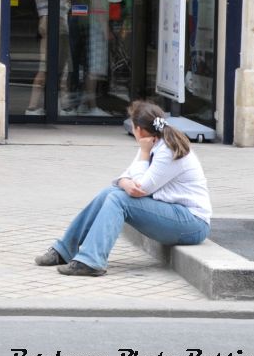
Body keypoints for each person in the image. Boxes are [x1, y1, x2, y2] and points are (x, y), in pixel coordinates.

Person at [34, 100, 211, 276]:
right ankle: (64, 250)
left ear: (138, 130)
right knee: (109, 193)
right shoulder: (152, 143)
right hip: (174, 214)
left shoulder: (166, 150)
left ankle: (91, 261)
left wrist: (140, 158)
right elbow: (126, 176)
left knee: (119, 199)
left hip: (192, 224)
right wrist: (123, 182)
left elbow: (141, 188)